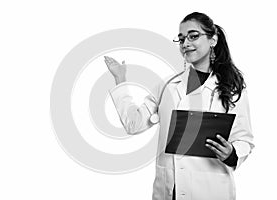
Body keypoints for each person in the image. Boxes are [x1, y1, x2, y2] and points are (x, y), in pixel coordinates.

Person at [104, 12, 254, 200]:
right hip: (169, 190)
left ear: (213, 40)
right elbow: (134, 124)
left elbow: (244, 140)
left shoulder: (231, 88)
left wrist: (231, 153)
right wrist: (120, 79)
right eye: (181, 39)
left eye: (193, 36)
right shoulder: (167, 85)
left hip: (211, 190)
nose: (185, 44)